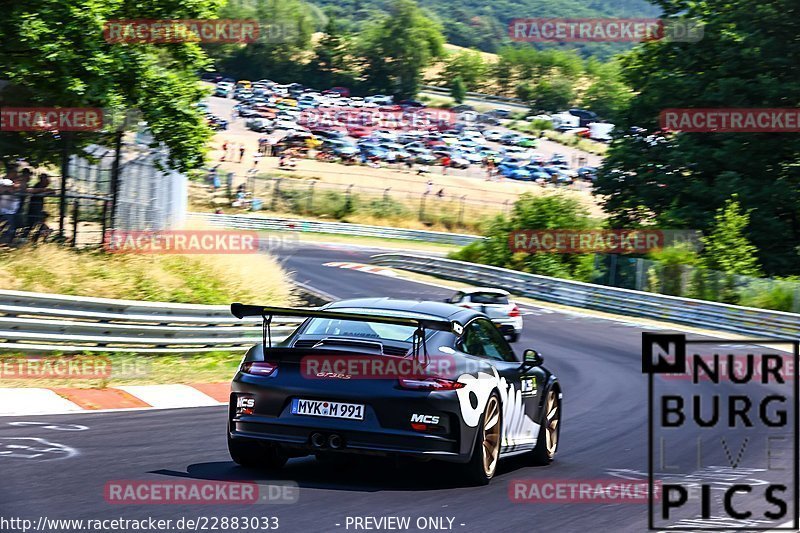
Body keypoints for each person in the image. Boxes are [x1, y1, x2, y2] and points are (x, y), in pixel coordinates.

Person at [22, 172, 54, 240]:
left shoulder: (40, 186)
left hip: (37, 210)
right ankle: (33, 239)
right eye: (47, 179)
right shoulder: (38, 186)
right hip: (34, 210)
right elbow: (39, 193)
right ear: (43, 180)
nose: (49, 181)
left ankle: (33, 239)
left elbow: (51, 192)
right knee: (35, 227)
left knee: (32, 227)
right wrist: (47, 191)